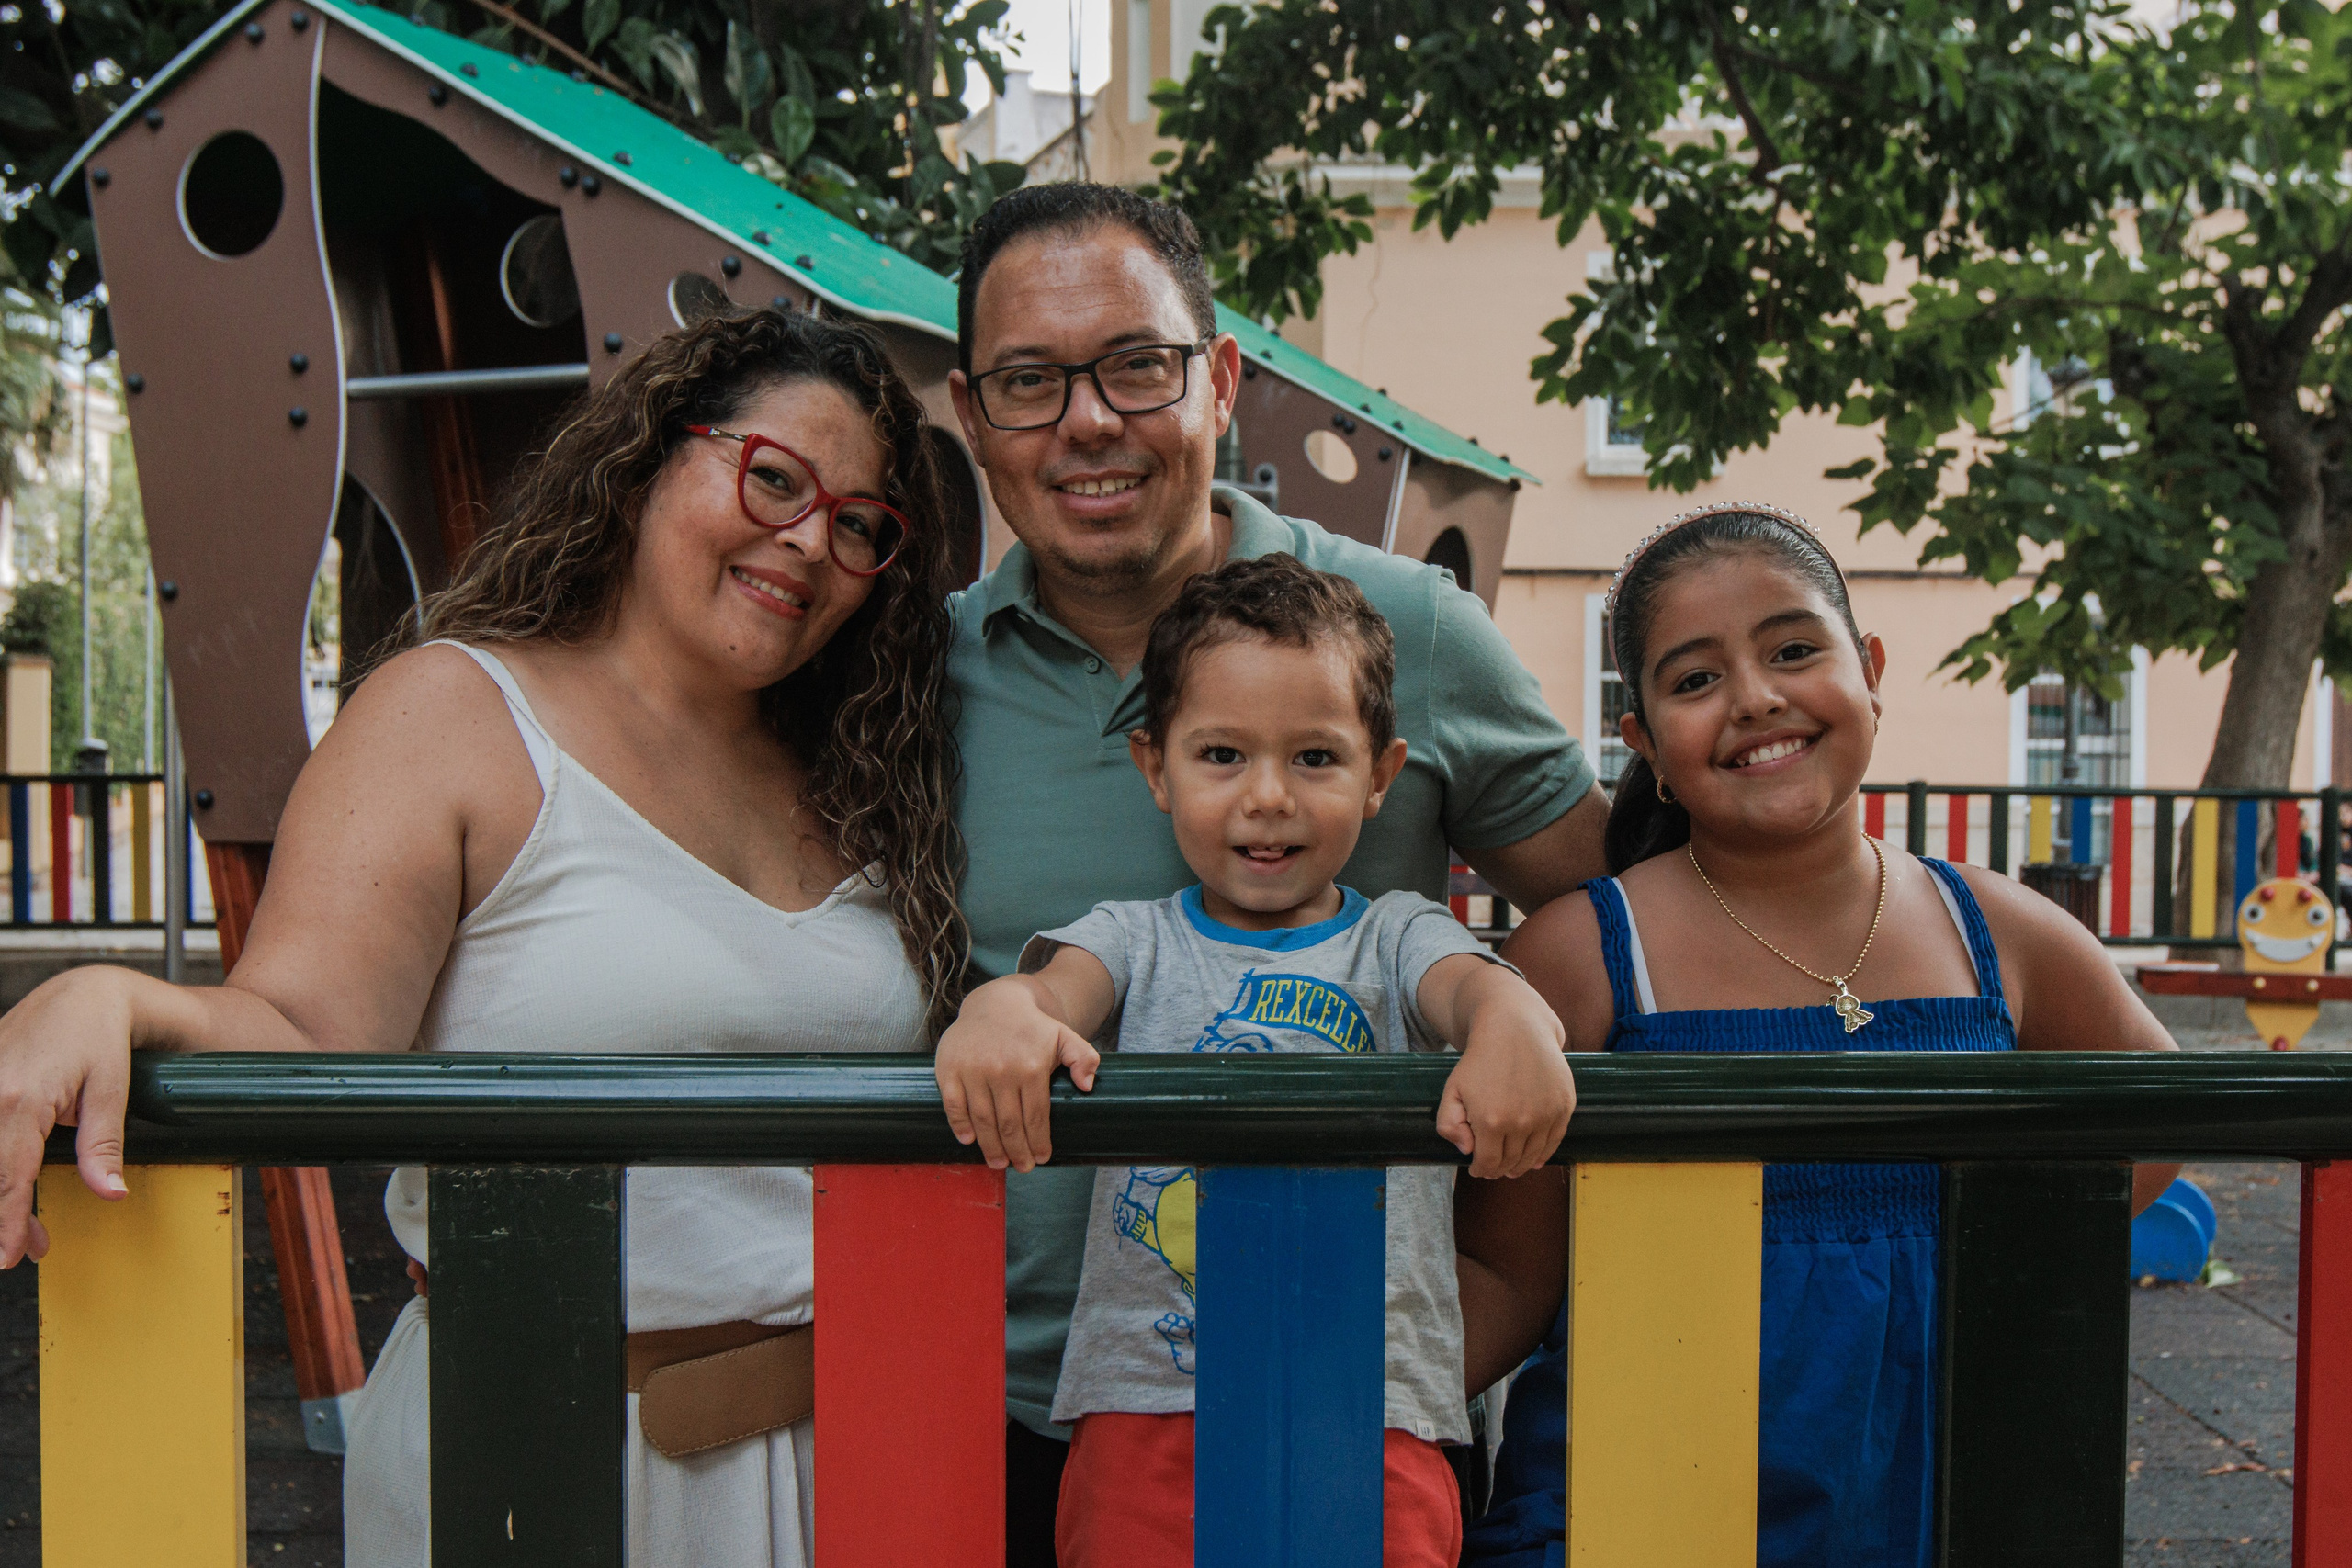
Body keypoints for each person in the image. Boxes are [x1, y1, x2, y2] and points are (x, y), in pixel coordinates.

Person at [0, 309, 967, 1567]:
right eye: (772, 476)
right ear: (647, 460)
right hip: (544, 1452)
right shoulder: (458, 713)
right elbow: (305, 1029)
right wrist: (107, 996)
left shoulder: (860, 774)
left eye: (857, 525)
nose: (807, 540)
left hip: (851, 1458)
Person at [943, 180, 1609, 1561]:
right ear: (971, 413)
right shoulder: (910, 674)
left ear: (1222, 379)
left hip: (1346, 1404)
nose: (1087, 419)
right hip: (1014, 1412)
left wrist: (1494, 1287)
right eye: (1028, 380)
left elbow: (1610, 922)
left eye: (1137, 363)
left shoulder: (1407, 631)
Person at [1480, 502, 2179, 1568]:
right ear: (1645, 742)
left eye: (1794, 650)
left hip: (1936, 1481)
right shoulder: (1583, 954)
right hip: (1652, 1493)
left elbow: (2162, 1107)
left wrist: (1995, 1250)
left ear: (1870, 670)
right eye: (1694, 678)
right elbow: (1508, 1273)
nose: (1756, 699)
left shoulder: (1992, 928)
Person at [939, 555, 1577, 1567]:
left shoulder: (1398, 936)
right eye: (1222, 754)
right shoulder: (1133, 938)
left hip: (1365, 1410)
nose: (1267, 798)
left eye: (1315, 759)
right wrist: (1001, 1010)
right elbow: (1046, 995)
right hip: (1148, 1410)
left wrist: (1509, 1028)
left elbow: (1479, 991)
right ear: (1157, 768)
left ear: (1380, 774)